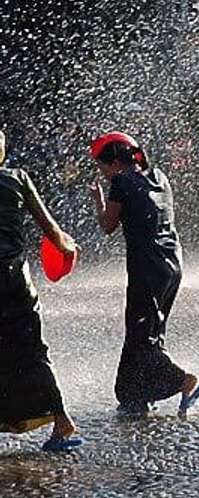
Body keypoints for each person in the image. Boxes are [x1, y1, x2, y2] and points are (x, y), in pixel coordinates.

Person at [88, 132, 199, 418]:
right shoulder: (159, 175)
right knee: (148, 331)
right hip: (172, 265)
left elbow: (107, 225)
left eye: (102, 166)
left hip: (146, 267)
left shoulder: (121, 181)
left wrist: (98, 200)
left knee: (142, 336)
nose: (102, 173)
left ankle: (181, 380)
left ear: (115, 162)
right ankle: (133, 397)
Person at [0, 131, 83, 451]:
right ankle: (62, 422)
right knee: (33, 352)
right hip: (18, 283)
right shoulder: (18, 179)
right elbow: (53, 231)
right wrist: (69, 249)